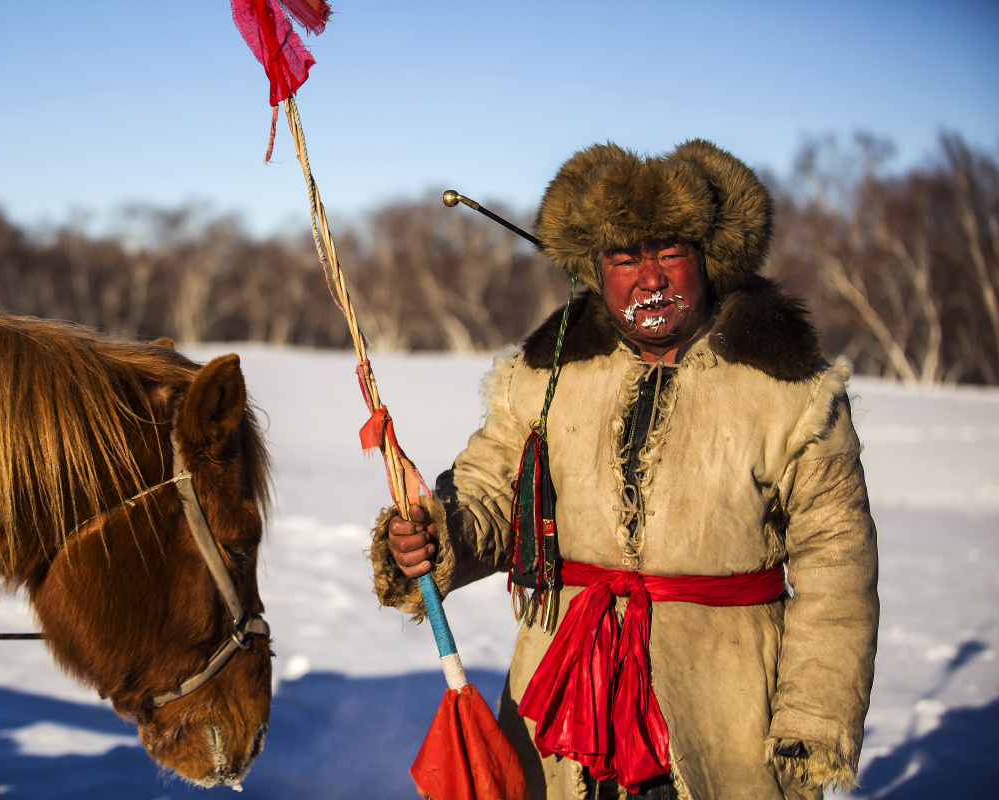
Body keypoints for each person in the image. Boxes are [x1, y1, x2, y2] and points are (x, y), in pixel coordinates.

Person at [370, 140, 878, 800]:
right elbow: (493, 489)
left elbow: (837, 563)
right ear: (595, 267)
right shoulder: (547, 375)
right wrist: (437, 536)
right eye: (624, 257)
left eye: (669, 252)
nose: (650, 278)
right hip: (565, 703)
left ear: (708, 258)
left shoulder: (789, 391)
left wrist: (813, 719)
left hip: (726, 709)